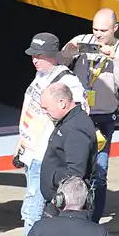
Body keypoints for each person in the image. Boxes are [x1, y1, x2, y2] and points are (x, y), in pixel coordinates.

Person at [0, 33, 87, 236]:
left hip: (44, 157)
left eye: (40, 56)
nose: (35, 60)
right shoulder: (41, 76)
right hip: (31, 153)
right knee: (37, 213)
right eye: (33, 56)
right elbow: (31, 112)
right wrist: (21, 144)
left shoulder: (67, 82)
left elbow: (77, 117)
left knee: (33, 213)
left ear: (53, 55)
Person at [61, 8, 119, 222]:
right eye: (94, 28)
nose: (98, 34)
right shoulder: (81, 41)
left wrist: (115, 61)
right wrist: (67, 53)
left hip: (103, 118)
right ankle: (72, 215)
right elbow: (59, 67)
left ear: (115, 28)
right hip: (77, 115)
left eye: (103, 30)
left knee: (99, 171)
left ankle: (93, 219)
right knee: (74, 168)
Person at [38, 82, 96, 220]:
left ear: (62, 103)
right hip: (59, 202)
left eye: (46, 108)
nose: (45, 113)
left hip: (65, 208)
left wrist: (55, 204)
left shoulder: (77, 130)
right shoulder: (67, 121)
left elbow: (74, 174)